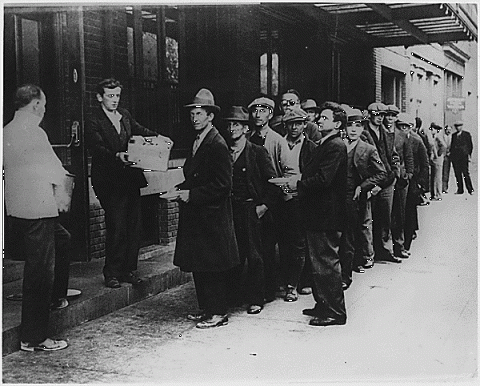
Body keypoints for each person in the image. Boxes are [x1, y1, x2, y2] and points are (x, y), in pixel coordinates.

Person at [85, 78, 173, 288]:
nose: (115, 100)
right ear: (100, 97)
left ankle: (129, 270)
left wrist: (160, 137)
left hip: (130, 180)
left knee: (134, 225)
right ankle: (112, 273)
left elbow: (138, 129)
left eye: (117, 95)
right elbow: (96, 148)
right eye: (110, 96)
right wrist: (117, 155)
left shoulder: (124, 115)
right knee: (117, 225)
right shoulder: (93, 120)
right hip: (109, 181)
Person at [4, 84, 69, 351]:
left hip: (19, 208)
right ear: (35, 105)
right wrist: (63, 195)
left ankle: (56, 297)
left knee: (63, 241)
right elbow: (55, 171)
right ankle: (34, 337)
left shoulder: (7, 131)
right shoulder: (35, 133)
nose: (44, 109)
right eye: (43, 105)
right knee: (40, 273)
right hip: (39, 209)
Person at [173, 88, 240, 329]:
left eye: (199, 113)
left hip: (212, 216)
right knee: (200, 264)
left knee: (212, 266)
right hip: (198, 215)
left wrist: (190, 194)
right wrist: (179, 189)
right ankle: (206, 309)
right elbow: (195, 177)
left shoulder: (217, 143)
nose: (194, 118)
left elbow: (223, 185)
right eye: (192, 114)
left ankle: (218, 312)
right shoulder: (199, 141)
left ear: (210, 116)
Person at [286, 101, 347, 326]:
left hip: (326, 215)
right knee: (318, 263)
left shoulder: (335, 145)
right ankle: (322, 304)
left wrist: (298, 184)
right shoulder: (326, 143)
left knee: (326, 264)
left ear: (338, 124)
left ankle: (334, 312)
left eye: (325, 118)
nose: (319, 120)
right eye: (320, 117)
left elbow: (324, 179)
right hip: (318, 213)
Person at [224, 105, 278, 315]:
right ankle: (234, 296)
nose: (232, 129)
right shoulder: (224, 151)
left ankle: (257, 298)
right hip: (229, 210)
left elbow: (272, 182)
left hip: (250, 209)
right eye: (229, 124)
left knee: (254, 256)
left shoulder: (257, 152)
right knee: (232, 255)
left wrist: (263, 207)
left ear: (245, 128)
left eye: (236, 124)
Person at [247, 96, 296, 302]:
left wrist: (280, 193)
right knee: (260, 246)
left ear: (270, 114)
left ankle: (288, 284)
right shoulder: (248, 137)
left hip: (277, 201)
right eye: (254, 111)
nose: (258, 115)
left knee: (283, 245)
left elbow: (290, 170)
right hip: (256, 198)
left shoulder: (277, 140)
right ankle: (265, 287)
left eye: (263, 111)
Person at [339, 106, 386, 290]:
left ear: (362, 129)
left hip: (353, 198)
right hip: (334, 197)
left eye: (358, 126)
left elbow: (381, 173)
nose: (353, 129)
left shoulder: (367, 149)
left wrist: (362, 186)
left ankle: (345, 275)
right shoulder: (337, 145)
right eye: (350, 125)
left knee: (348, 237)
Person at [280, 108, 317, 301]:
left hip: (301, 200)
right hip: (281, 199)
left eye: (298, 123)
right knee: (283, 242)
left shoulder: (312, 148)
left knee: (300, 243)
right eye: (290, 124)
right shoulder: (279, 144)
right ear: (285, 125)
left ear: (305, 125)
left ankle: (295, 284)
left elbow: (314, 176)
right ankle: (286, 279)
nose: (294, 127)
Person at [361, 102, 401, 264]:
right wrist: (373, 184)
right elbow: (365, 162)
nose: (380, 118)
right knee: (368, 221)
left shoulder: (386, 133)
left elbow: (394, 156)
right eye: (377, 115)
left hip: (387, 182)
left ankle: (384, 250)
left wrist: (394, 174)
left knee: (385, 219)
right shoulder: (364, 134)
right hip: (372, 183)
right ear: (370, 115)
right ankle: (368, 255)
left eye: (382, 115)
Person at [399, 114, 429, 252]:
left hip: (413, 182)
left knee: (410, 213)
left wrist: (421, 185)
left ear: (411, 127)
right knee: (399, 214)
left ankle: (407, 243)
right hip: (400, 181)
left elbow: (425, 164)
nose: (404, 129)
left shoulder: (417, 141)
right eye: (401, 126)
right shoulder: (395, 139)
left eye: (407, 126)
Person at [387, 107, 414, 259]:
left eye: (392, 116)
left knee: (400, 213)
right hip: (388, 177)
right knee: (386, 214)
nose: (389, 119)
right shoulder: (383, 133)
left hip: (401, 179)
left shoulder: (401, 135)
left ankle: (399, 245)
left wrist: (408, 174)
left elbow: (409, 156)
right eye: (387, 116)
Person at [450, 121, 474, 195]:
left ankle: (470, 189)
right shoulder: (453, 135)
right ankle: (460, 189)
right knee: (457, 174)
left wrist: (469, 154)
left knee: (466, 173)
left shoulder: (466, 134)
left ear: (462, 126)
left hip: (464, 157)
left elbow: (470, 145)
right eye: (456, 126)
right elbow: (452, 146)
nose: (458, 128)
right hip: (455, 158)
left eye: (459, 126)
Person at [429, 124, 447, 201]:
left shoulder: (438, 137)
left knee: (437, 177)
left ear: (436, 130)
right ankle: (434, 194)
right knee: (434, 176)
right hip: (434, 159)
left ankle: (437, 194)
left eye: (432, 129)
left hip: (437, 159)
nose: (431, 131)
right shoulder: (434, 137)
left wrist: (438, 154)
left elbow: (444, 146)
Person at [442, 125, 453, 193]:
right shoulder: (442, 137)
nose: (448, 131)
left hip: (450, 156)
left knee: (447, 172)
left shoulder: (452, 137)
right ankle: (442, 187)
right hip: (443, 156)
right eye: (447, 130)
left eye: (450, 130)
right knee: (443, 172)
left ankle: (445, 187)